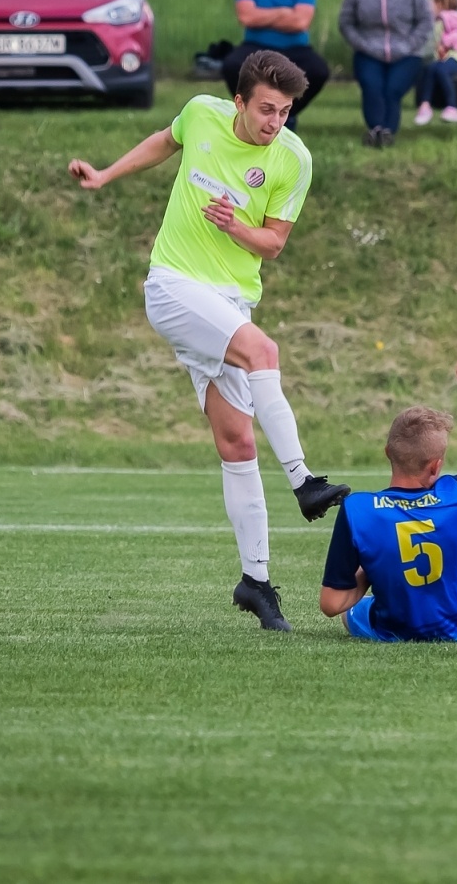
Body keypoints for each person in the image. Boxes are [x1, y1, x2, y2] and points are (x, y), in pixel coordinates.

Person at [67, 50, 351, 633]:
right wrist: (105, 175)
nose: (276, 122)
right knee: (263, 352)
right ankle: (304, 482)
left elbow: (272, 245)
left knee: (237, 442)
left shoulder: (293, 158)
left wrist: (235, 227)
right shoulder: (201, 112)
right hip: (173, 287)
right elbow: (162, 141)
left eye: (286, 111)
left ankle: (256, 581)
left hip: (230, 302)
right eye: (267, 109)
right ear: (240, 101)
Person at [319, 346, 457, 643]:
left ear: (387, 453)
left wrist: (372, 568)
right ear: (435, 466)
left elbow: (331, 604)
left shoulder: (358, 509)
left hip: (395, 628)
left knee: (351, 613)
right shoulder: (456, 494)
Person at [219, 0, 330, 130]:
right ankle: (249, 111)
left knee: (319, 71)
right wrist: (283, 12)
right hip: (256, 46)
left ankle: (288, 113)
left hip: (295, 47)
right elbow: (246, 18)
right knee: (231, 65)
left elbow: (301, 22)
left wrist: (261, 16)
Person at [338, 0, 433, 147]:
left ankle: (386, 132)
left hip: (407, 52)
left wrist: (409, 45)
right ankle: (377, 130)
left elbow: (426, 20)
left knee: (392, 89)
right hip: (368, 51)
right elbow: (346, 22)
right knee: (372, 86)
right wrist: (361, 44)